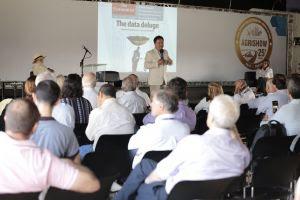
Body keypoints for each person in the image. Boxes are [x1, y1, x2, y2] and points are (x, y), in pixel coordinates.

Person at [114, 95, 250, 200]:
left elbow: (158, 175)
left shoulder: (193, 143)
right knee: (146, 164)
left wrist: (148, 182)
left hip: (175, 193)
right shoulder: (244, 152)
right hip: (208, 190)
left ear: (211, 117)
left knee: (144, 186)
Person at [0, 99, 100, 194]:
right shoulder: (46, 162)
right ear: (35, 127)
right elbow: (93, 185)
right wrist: (68, 163)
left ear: (5, 119)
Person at [129, 89, 190, 168]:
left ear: (161, 107)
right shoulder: (185, 128)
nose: (150, 104)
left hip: (149, 171)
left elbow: (131, 146)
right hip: (176, 169)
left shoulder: (147, 130)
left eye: (153, 102)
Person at [31, 80, 80, 162]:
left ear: (34, 97)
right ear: (58, 101)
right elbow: (76, 164)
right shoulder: (67, 132)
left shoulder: (24, 129)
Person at [84, 84, 135, 152]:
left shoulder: (97, 112)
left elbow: (90, 137)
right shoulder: (128, 112)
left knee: (79, 150)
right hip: (123, 155)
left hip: (99, 155)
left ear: (101, 95)